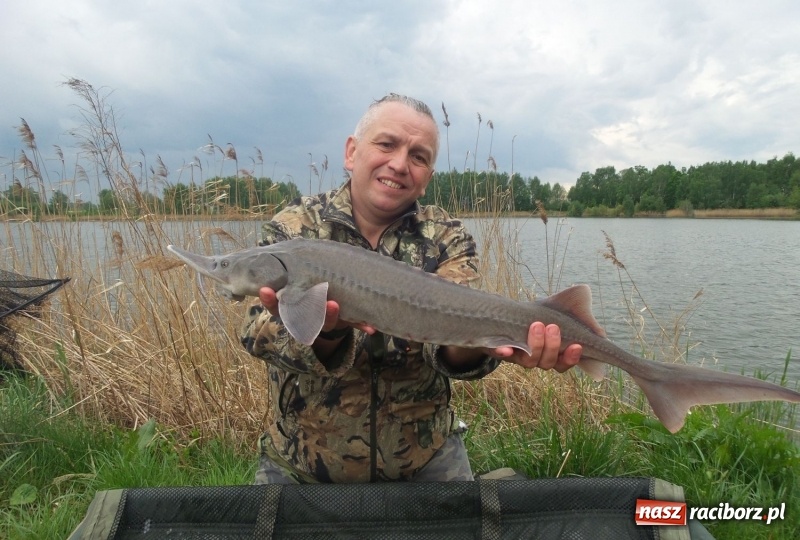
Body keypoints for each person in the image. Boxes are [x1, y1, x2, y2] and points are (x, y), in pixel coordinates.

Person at [240, 94, 583, 484]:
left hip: (425, 458)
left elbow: (449, 352)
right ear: (352, 152)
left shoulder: (446, 237)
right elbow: (257, 335)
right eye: (386, 144)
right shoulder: (293, 229)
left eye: (419, 156)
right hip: (302, 460)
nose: (400, 164)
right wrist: (328, 331)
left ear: (428, 178)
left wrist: (485, 340)